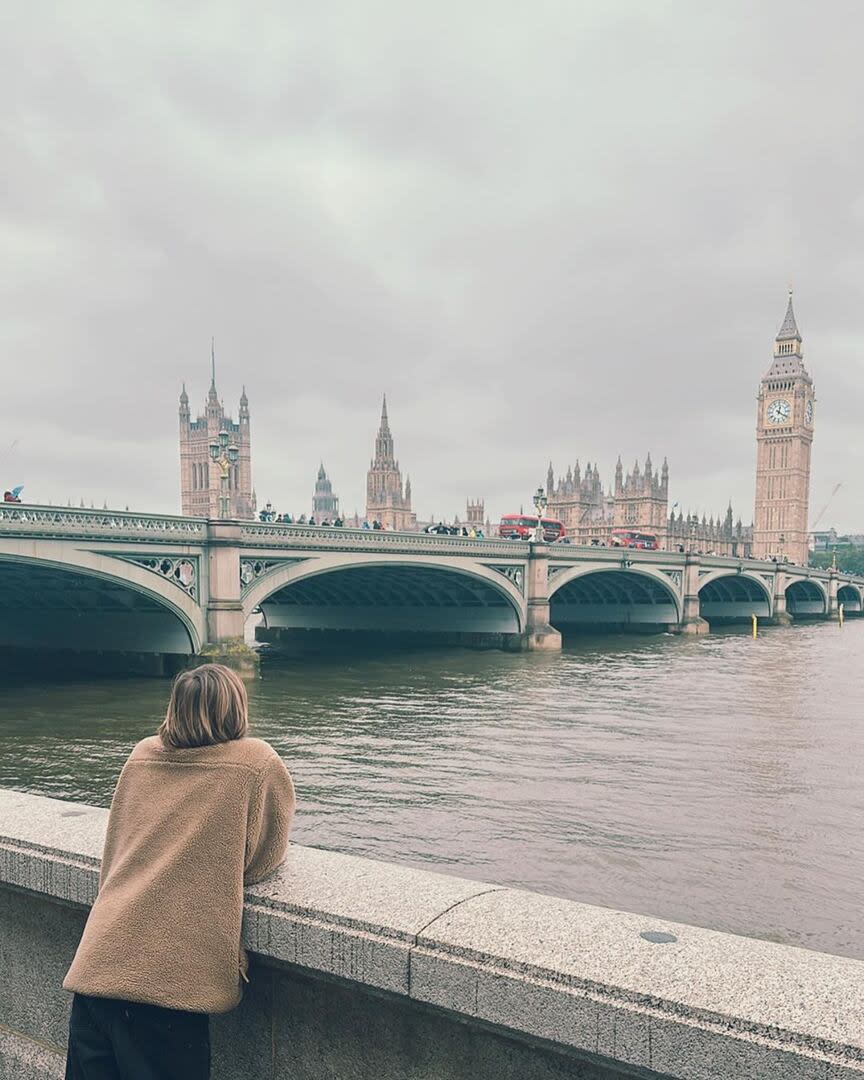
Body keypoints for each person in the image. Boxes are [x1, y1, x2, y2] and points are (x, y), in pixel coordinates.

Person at [63, 664, 295, 1080]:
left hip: (98, 968)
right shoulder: (256, 762)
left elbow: (117, 840)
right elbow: (263, 858)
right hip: (166, 986)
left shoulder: (141, 756)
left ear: (175, 707)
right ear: (235, 709)